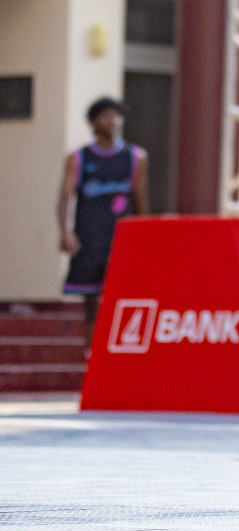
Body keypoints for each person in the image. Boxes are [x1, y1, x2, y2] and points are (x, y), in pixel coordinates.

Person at [57, 96, 147, 347]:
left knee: (122, 296)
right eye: (107, 115)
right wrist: (65, 232)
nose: (113, 120)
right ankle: (91, 353)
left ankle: (117, 351)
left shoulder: (136, 157)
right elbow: (64, 198)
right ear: (93, 123)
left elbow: (140, 201)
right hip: (89, 236)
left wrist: (143, 238)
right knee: (91, 302)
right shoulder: (79, 157)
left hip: (121, 237)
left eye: (117, 115)